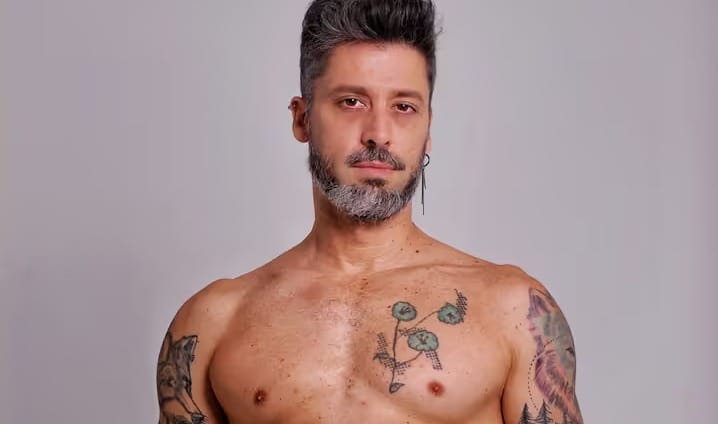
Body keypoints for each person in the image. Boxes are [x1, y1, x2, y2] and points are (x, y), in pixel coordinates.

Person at [156, 1, 583, 423]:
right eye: (352, 102)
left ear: (428, 128)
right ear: (302, 119)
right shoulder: (215, 322)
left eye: (403, 107)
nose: (379, 133)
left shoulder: (513, 310)